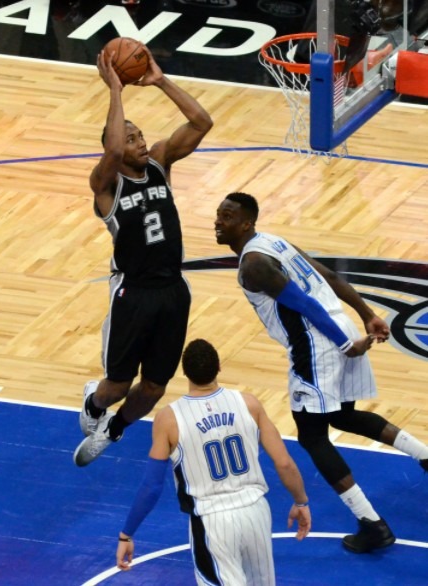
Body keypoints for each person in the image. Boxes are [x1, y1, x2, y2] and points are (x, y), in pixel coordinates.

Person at [214, 192, 428, 554]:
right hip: (336, 328)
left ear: (246, 223)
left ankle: (371, 524)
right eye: (219, 214)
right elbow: (328, 276)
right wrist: (364, 313)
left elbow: (304, 303)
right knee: (342, 416)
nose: (219, 221)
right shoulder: (274, 242)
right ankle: (424, 455)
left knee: (313, 437)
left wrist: (345, 344)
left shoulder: (254, 265)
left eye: (228, 216)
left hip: (318, 342)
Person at [73, 45, 213, 467]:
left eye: (138, 135)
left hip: (173, 290)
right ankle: (96, 406)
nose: (137, 141)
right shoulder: (106, 185)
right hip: (133, 293)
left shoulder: (159, 163)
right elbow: (112, 152)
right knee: (117, 384)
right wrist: (115, 91)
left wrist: (160, 80)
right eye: (129, 136)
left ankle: (113, 431)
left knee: (153, 387)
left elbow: (202, 122)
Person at [115, 338, 311, 584]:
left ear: (184, 372)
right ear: (219, 366)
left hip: (212, 521)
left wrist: (127, 534)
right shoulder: (249, 404)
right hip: (256, 513)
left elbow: (152, 486)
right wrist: (301, 501)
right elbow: (284, 463)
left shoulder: (168, 419)